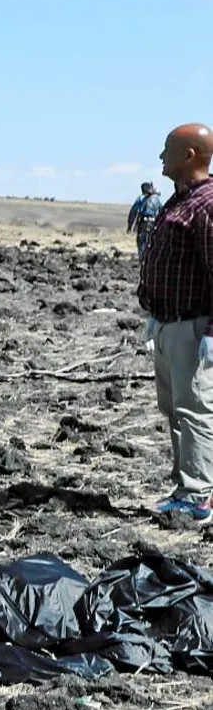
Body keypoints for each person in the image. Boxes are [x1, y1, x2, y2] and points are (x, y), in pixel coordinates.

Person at [138, 124, 213, 521]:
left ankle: (198, 496)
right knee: (175, 409)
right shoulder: (178, 201)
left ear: (189, 156)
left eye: (168, 150)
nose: (161, 157)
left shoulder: (207, 204)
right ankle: (186, 484)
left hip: (193, 326)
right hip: (168, 323)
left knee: (195, 409)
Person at [129, 181, 165, 259]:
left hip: (143, 225)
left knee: (142, 246)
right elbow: (163, 212)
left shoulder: (140, 198)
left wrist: (130, 225)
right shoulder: (158, 199)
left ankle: (144, 264)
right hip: (155, 225)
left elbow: (133, 212)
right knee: (153, 245)